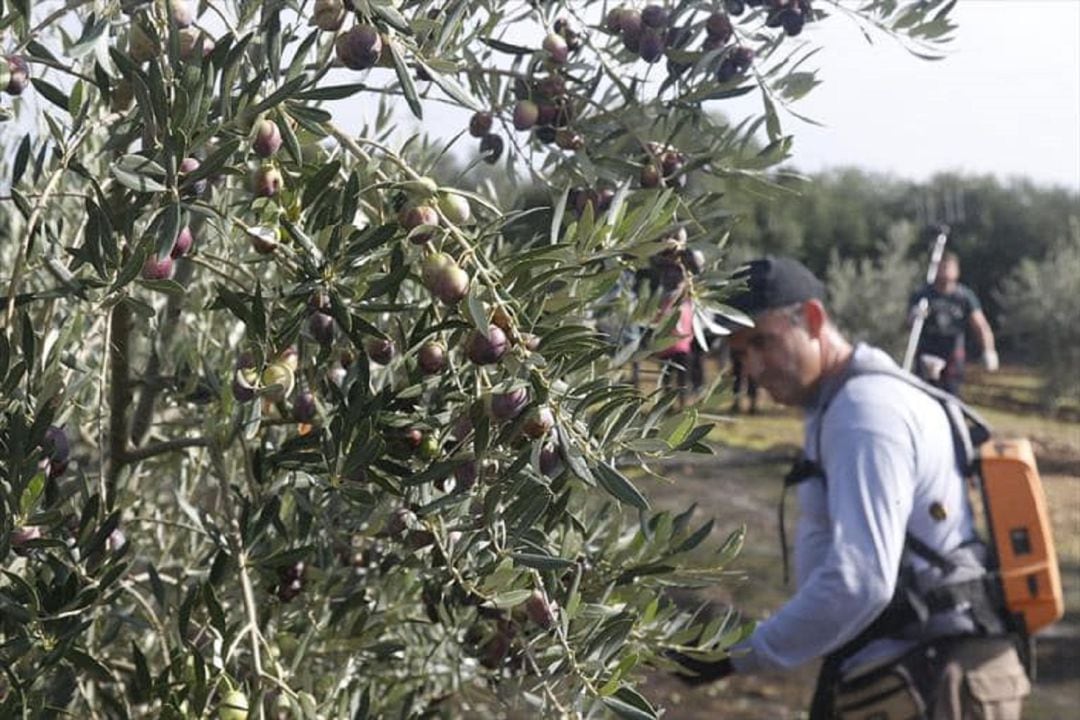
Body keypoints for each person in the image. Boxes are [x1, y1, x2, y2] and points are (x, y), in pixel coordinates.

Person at [672, 257, 1029, 719]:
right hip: (917, 671)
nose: (754, 366)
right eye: (740, 353)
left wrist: (742, 652)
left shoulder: (864, 412)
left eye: (764, 341)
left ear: (815, 320)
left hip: (937, 679)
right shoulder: (840, 402)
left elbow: (861, 581)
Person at [908, 251, 998, 396]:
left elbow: (981, 325)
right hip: (928, 352)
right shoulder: (923, 295)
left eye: (949, 268)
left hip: (953, 353)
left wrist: (989, 350)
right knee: (924, 395)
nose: (945, 272)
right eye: (942, 267)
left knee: (951, 397)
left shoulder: (964, 297)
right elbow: (910, 325)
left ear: (957, 271)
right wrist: (914, 315)